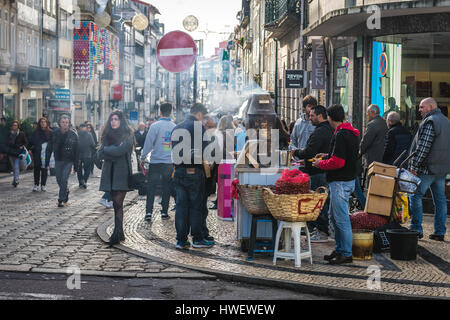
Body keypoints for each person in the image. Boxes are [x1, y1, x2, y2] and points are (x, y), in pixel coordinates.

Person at [312, 104, 359, 265]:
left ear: (330, 118)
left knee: (341, 219)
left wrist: (320, 164)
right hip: (346, 180)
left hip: (340, 182)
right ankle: (339, 250)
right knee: (335, 217)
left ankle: (346, 253)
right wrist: (326, 156)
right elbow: (342, 155)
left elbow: (338, 162)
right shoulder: (350, 132)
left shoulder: (341, 135)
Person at [171, 103, 214, 250]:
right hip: (194, 173)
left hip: (178, 172)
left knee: (181, 207)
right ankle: (197, 238)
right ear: (200, 114)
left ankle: (181, 240)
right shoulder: (198, 127)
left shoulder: (177, 127)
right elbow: (206, 151)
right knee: (196, 206)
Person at [408, 98, 449, 241]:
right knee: (440, 200)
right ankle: (439, 232)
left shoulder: (430, 121)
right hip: (441, 169)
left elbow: (423, 147)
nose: (419, 110)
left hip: (428, 168)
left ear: (431, 107)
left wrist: (414, 166)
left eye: (421, 107)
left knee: (415, 195)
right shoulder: (446, 121)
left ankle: (416, 229)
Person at [293, 105, 334, 242]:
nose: (309, 118)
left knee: (319, 203)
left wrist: (296, 152)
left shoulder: (321, 131)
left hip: (318, 172)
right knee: (322, 202)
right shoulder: (327, 129)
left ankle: (321, 232)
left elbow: (310, 151)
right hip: (322, 170)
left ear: (320, 116)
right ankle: (319, 230)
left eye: (312, 115)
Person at [97, 110, 134, 246]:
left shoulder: (128, 135)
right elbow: (99, 153)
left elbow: (121, 151)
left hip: (121, 174)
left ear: (121, 121)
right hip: (109, 173)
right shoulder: (107, 135)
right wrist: (110, 150)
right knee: (115, 204)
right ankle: (120, 232)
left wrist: (108, 150)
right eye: (112, 119)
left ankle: (116, 234)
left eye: (116, 119)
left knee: (118, 204)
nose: (113, 122)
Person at [140, 103, 176, 221]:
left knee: (151, 187)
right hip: (168, 162)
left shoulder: (155, 126)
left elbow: (148, 144)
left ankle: (148, 212)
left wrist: (143, 157)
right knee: (167, 187)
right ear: (170, 112)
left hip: (155, 161)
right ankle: (164, 212)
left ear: (160, 112)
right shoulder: (174, 127)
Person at [46, 115, 79, 207]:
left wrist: (76, 166)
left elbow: (77, 151)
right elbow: (49, 148)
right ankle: (66, 190)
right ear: (60, 123)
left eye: (66, 122)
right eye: (63, 122)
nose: (64, 124)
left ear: (69, 123)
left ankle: (61, 199)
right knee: (59, 179)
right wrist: (47, 162)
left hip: (69, 160)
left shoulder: (73, 134)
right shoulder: (55, 133)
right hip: (58, 159)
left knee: (64, 179)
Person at [360, 104, 388, 169]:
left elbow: (365, 141)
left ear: (372, 112)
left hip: (372, 156)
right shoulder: (384, 122)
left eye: (368, 112)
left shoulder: (372, 124)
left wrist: (360, 152)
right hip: (381, 155)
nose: (367, 114)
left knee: (370, 176)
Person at [29, 117, 52, 192]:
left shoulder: (50, 132)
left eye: (44, 122)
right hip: (37, 153)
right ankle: (36, 184)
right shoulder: (36, 132)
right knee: (36, 168)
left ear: (46, 123)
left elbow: (52, 143)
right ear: (39, 123)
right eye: (41, 122)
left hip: (46, 153)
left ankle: (43, 185)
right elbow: (31, 142)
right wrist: (30, 149)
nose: (43, 123)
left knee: (44, 169)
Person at [6, 120, 28, 187]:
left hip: (18, 152)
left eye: (15, 125)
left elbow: (26, 142)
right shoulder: (9, 133)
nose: (14, 126)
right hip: (11, 152)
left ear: (18, 126)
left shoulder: (21, 133)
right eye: (13, 125)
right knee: (14, 167)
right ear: (11, 126)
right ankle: (14, 179)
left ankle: (16, 180)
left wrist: (22, 146)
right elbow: (6, 142)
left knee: (16, 167)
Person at [77, 123, 96, 189]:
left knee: (79, 169)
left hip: (78, 155)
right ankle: (84, 181)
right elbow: (93, 144)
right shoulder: (89, 134)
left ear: (80, 128)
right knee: (87, 169)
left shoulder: (77, 134)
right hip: (87, 154)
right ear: (85, 128)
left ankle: (80, 183)